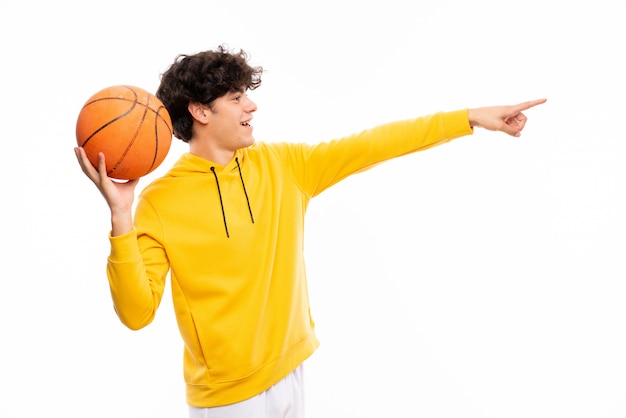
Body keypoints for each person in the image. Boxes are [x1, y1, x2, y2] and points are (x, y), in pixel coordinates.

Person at [74, 45, 546, 417]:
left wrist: (468, 118)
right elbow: (136, 314)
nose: (251, 105)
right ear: (200, 112)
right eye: (236, 97)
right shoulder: (159, 203)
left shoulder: (284, 166)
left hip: (292, 369)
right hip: (225, 399)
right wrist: (121, 220)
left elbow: (373, 144)